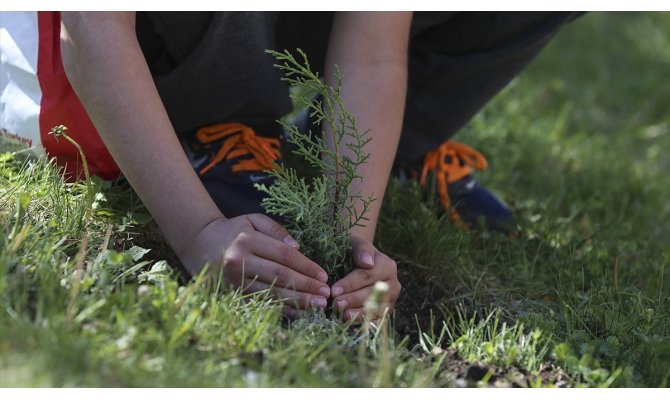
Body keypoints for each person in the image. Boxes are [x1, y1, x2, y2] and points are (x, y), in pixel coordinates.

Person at [58, 11, 580, 322]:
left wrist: (353, 241)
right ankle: (212, 123)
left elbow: (373, 49)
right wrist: (199, 234)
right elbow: (91, 27)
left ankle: (372, 142)